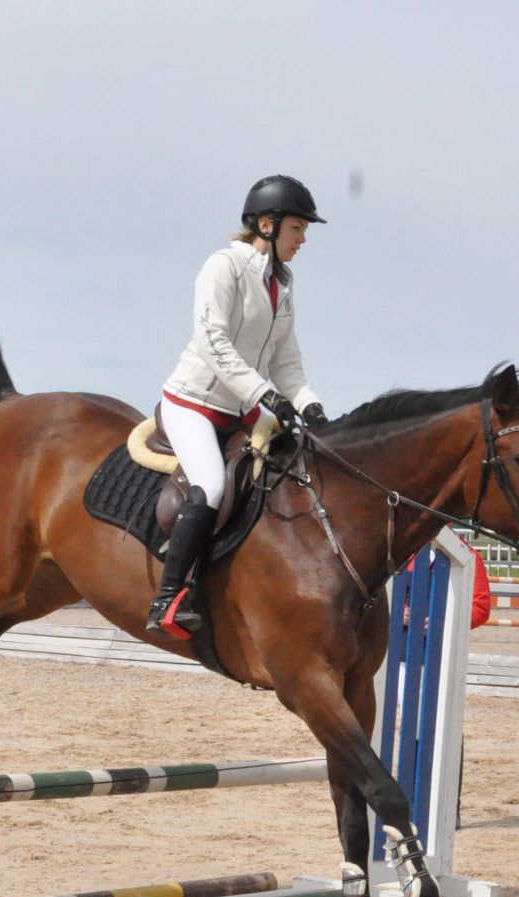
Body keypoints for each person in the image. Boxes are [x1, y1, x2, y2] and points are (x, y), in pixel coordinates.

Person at [148, 174, 329, 637]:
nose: (304, 239)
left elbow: (285, 360)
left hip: (240, 410)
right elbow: (213, 341)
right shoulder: (223, 266)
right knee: (209, 484)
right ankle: (169, 598)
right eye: (297, 228)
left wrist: (308, 404)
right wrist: (263, 395)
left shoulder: (283, 284)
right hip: (192, 404)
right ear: (266, 225)